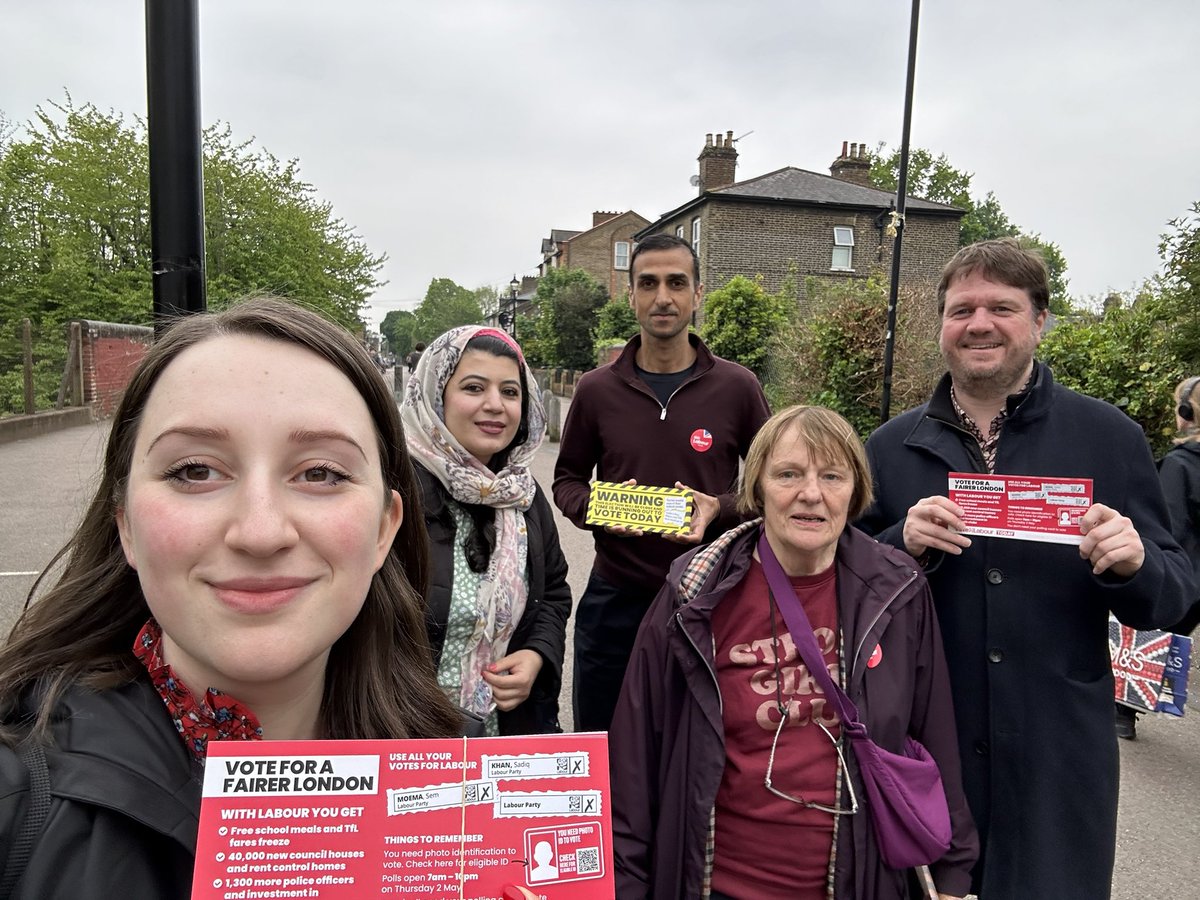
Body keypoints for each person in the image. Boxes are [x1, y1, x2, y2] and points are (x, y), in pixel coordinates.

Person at [0, 297, 465, 898]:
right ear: (126, 526)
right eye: (195, 470)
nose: (261, 532)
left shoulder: (466, 789)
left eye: (321, 473)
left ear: (384, 529)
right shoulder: (16, 805)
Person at [858, 239, 1194, 899]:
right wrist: (899, 543)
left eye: (1001, 307)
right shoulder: (890, 447)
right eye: (962, 310)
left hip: (1057, 759)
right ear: (943, 327)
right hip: (927, 751)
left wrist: (1136, 564)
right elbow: (840, 590)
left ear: (1040, 321)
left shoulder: (1109, 439)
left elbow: (1175, 598)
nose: (979, 323)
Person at [609, 405, 977, 900]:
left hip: (855, 880)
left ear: (855, 491)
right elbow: (635, 753)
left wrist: (953, 875)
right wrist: (624, 882)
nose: (811, 493)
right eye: (788, 474)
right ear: (757, 488)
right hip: (712, 881)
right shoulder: (693, 594)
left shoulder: (897, 589)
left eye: (832, 475)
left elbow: (934, 734)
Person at [553, 233, 771, 731]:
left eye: (677, 283)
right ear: (629, 295)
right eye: (648, 284)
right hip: (615, 596)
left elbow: (771, 484)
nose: (663, 297)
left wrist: (720, 507)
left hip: (711, 594)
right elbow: (566, 480)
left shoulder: (737, 387)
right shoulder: (596, 389)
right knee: (604, 742)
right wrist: (601, 509)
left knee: (696, 744)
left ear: (697, 294)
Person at [401, 325, 570, 735]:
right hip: (405, 738)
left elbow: (553, 594)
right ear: (435, 396)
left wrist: (535, 655)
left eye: (510, 392)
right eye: (474, 388)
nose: (495, 405)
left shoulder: (523, 496)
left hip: (503, 734)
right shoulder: (392, 494)